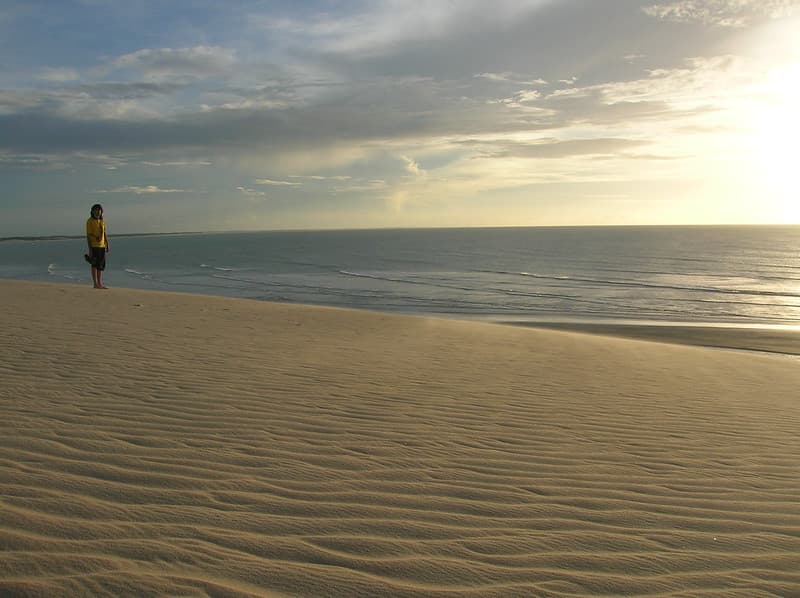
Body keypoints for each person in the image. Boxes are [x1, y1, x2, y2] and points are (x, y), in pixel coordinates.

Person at [85, 203, 109, 289]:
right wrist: (90, 249)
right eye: (95, 210)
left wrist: (107, 244)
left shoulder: (102, 221)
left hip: (102, 246)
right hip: (94, 245)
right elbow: (88, 235)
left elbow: (104, 233)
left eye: (99, 210)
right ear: (92, 211)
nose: (97, 212)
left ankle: (99, 283)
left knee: (100, 265)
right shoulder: (90, 221)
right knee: (94, 264)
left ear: (101, 211)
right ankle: (95, 283)